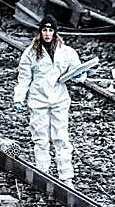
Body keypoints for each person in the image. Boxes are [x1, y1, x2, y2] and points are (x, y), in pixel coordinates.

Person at [13, 15, 83, 183]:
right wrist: (19, 98)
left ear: (55, 32)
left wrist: (79, 75)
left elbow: (78, 72)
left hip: (59, 99)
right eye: (44, 30)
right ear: (40, 32)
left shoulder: (66, 52)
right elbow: (24, 78)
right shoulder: (30, 53)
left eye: (50, 30)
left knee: (61, 138)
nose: (47, 33)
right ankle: (42, 175)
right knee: (41, 139)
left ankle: (66, 177)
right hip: (39, 101)